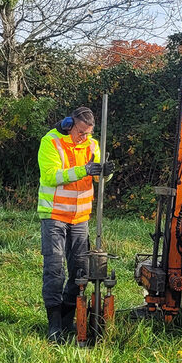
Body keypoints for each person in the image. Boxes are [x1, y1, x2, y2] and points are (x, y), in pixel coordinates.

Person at [37, 106, 114, 342]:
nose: (84, 137)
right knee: (55, 269)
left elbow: (99, 176)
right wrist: (84, 170)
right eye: (81, 132)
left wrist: (106, 173)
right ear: (70, 124)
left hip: (80, 218)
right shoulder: (50, 142)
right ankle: (54, 324)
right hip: (54, 216)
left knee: (79, 271)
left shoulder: (92, 145)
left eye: (88, 133)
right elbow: (51, 176)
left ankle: (70, 319)